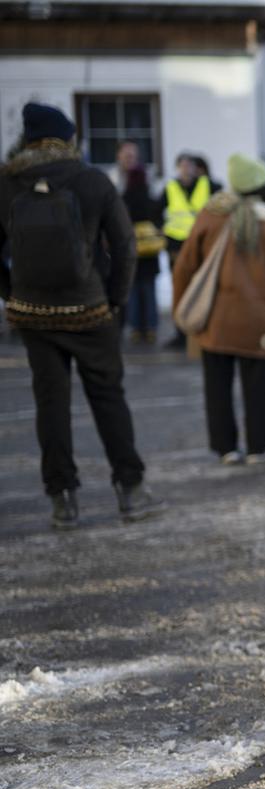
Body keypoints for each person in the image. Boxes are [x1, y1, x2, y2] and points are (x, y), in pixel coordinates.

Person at [0, 102, 163, 527]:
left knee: (50, 405)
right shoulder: (91, 180)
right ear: (69, 138)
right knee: (108, 399)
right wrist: (114, 300)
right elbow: (125, 246)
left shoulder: (7, 182)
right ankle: (130, 491)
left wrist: (12, 294)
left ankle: (63, 500)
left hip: (33, 313)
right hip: (90, 310)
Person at [172, 154, 265, 465]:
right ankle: (257, 447)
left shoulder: (210, 216)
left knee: (217, 385)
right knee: (257, 386)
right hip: (258, 319)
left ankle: (226, 447)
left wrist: (181, 307)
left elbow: (184, 266)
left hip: (215, 317)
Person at [161, 151, 215, 349]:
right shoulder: (171, 187)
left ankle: (201, 332)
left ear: (195, 168)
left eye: (189, 165)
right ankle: (181, 334)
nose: (186, 170)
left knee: (201, 289)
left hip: (200, 245)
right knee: (180, 291)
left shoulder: (207, 185)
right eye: (182, 166)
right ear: (178, 168)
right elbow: (156, 210)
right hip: (176, 247)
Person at [120, 148, 164, 344]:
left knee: (133, 291)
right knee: (149, 290)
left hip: (131, 250)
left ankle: (136, 328)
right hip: (150, 251)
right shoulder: (150, 198)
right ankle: (152, 327)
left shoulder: (124, 199)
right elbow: (158, 219)